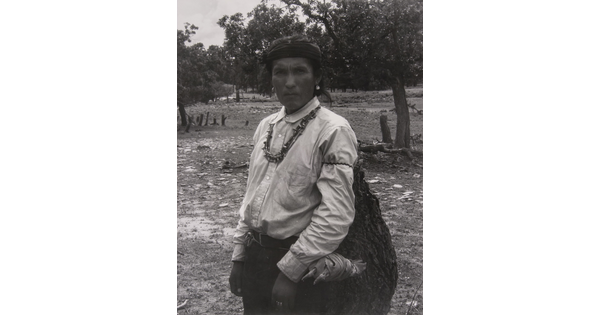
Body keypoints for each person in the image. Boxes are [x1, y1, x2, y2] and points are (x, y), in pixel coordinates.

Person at [229, 34, 358, 315]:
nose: (289, 82)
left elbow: (336, 214)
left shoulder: (333, 130)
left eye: (299, 71)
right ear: (271, 79)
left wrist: (290, 272)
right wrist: (240, 256)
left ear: (317, 77)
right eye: (280, 72)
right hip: (255, 256)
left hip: (300, 261)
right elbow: (252, 196)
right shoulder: (266, 126)